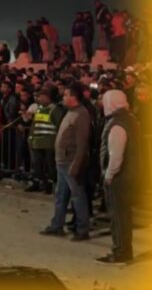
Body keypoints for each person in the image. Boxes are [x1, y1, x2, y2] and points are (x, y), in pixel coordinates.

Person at [41, 83, 92, 241]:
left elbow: (82, 143)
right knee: (60, 195)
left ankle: (82, 229)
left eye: (66, 95)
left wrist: (76, 164)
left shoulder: (81, 115)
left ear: (73, 97)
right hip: (62, 161)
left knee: (77, 195)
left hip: (70, 162)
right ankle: (57, 225)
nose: (63, 97)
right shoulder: (70, 112)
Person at [97, 90, 139, 265]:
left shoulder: (117, 125)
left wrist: (109, 175)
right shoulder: (130, 119)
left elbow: (116, 155)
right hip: (129, 175)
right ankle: (124, 249)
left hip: (119, 177)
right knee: (124, 215)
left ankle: (121, 252)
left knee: (118, 216)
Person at [25, 88, 64, 193]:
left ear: (47, 97)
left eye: (40, 96)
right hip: (37, 142)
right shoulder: (39, 108)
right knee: (37, 164)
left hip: (49, 142)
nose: (38, 99)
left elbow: (59, 126)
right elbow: (35, 124)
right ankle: (39, 182)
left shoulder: (55, 109)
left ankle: (50, 185)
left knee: (50, 165)